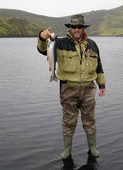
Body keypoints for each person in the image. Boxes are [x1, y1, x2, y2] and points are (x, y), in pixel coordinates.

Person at [37, 14, 106, 159]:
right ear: (70, 28)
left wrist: (102, 84)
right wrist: (42, 38)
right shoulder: (59, 43)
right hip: (68, 89)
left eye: (79, 27)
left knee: (90, 120)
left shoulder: (92, 45)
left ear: (83, 28)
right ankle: (67, 150)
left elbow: (99, 66)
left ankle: (92, 147)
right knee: (69, 121)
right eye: (73, 27)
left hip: (89, 89)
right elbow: (43, 50)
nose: (76, 29)